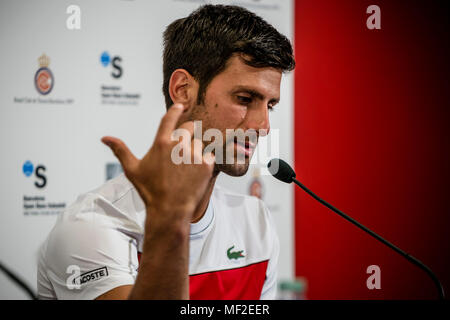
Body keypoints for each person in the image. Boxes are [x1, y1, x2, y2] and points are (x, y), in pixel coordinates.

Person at [37, 4, 295, 300]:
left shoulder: (255, 221)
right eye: (245, 98)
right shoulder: (92, 224)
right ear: (183, 90)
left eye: (270, 105)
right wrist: (171, 218)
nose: (263, 126)